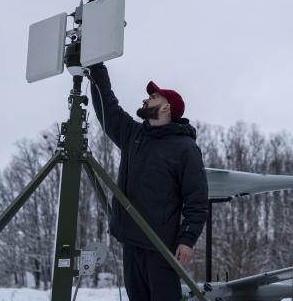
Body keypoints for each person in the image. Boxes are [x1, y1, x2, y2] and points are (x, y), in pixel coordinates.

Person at [87, 63, 208, 301]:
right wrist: (96, 69)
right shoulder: (134, 135)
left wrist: (187, 240)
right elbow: (107, 109)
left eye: (152, 97)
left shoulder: (185, 148)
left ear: (166, 108)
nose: (146, 100)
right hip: (131, 243)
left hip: (161, 247)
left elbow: (197, 200)